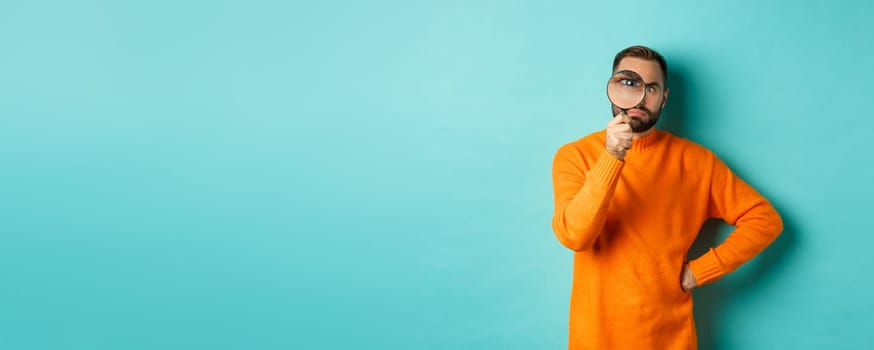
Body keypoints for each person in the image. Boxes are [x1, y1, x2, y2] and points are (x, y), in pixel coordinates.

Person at [550, 45, 783, 349]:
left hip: (670, 338)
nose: (641, 97)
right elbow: (574, 237)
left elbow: (764, 220)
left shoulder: (697, 162)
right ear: (612, 87)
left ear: (664, 98)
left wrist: (700, 272)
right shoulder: (574, 156)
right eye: (629, 83)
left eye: (652, 88)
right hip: (596, 337)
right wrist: (612, 156)